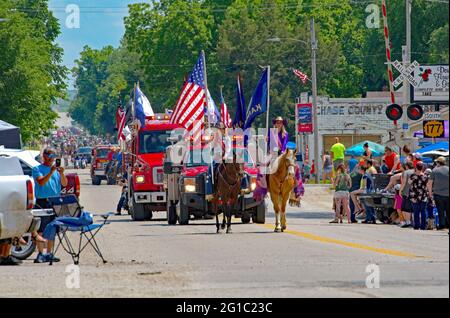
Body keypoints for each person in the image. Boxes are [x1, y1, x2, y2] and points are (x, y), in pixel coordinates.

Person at [32, 147, 68, 263]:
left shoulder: (56, 171)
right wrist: (51, 172)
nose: (52, 160)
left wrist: (61, 173)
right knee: (41, 229)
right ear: (44, 156)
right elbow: (41, 182)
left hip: (55, 201)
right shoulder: (37, 169)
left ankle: (49, 253)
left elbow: (64, 184)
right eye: (50, 157)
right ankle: (40, 254)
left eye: (53, 157)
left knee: (52, 228)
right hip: (42, 201)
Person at [427, 157, 449, 230]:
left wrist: (430, 194)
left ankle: (442, 225)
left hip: (438, 194)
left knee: (440, 210)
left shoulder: (435, 170)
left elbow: (429, 183)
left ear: (438, 162)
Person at [408, 162, 429, 231]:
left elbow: (409, 183)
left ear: (416, 168)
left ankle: (416, 225)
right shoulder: (425, 176)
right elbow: (428, 185)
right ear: (422, 168)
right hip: (423, 195)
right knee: (423, 211)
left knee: (416, 211)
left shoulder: (413, 175)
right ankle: (423, 226)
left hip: (414, 195)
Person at [361, 159, 378, 224]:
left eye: (365, 163)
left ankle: (370, 218)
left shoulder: (371, 169)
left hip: (369, 189)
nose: (365, 165)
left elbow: (372, 179)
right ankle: (369, 218)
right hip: (370, 188)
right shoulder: (371, 169)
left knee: (368, 204)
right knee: (369, 204)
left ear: (368, 164)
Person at [399, 161, 415, 228]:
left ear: (406, 166)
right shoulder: (415, 171)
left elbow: (404, 182)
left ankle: (408, 222)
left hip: (406, 192)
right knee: (412, 208)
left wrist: (400, 190)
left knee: (405, 208)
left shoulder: (406, 172)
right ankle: (411, 221)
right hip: (415, 192)